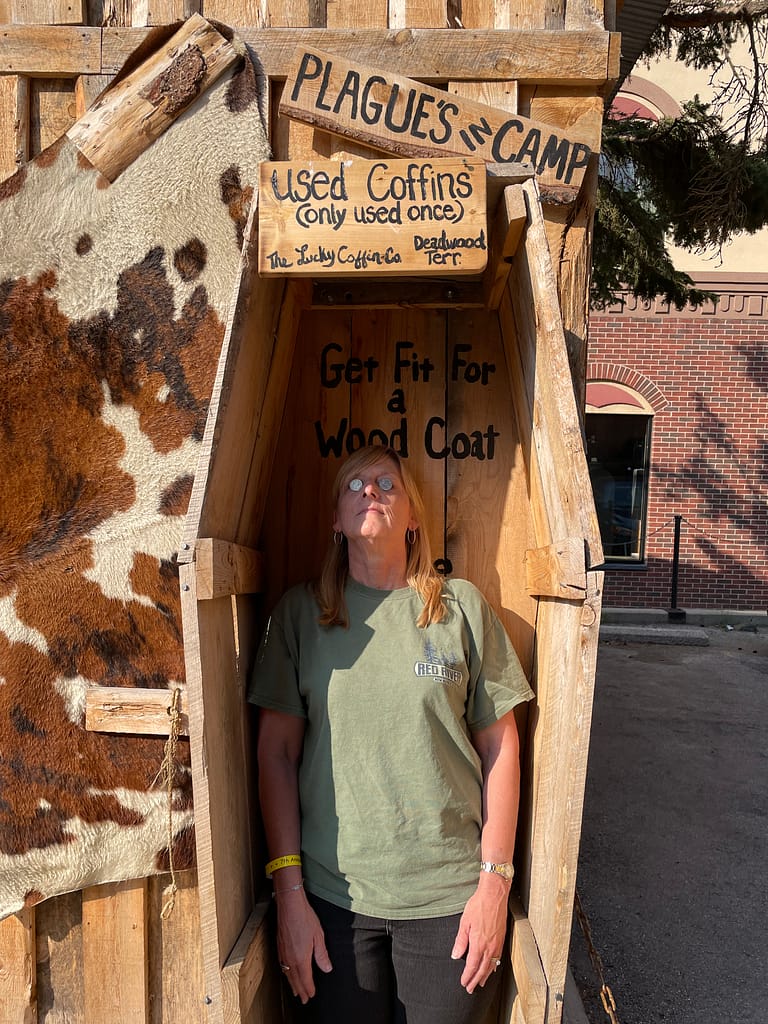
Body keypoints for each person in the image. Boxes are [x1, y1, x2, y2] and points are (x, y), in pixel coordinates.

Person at [248, 445, 534, 1024]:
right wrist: (289, 896)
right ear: (334, 520)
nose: (369, 492)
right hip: (331, 904)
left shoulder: (461, 609)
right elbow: (276, 755)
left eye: (386, 483)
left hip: (448, 904)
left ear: (413, 518)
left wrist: (494, 887)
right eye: (353, 485)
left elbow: (501, 747)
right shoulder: (302, 616)